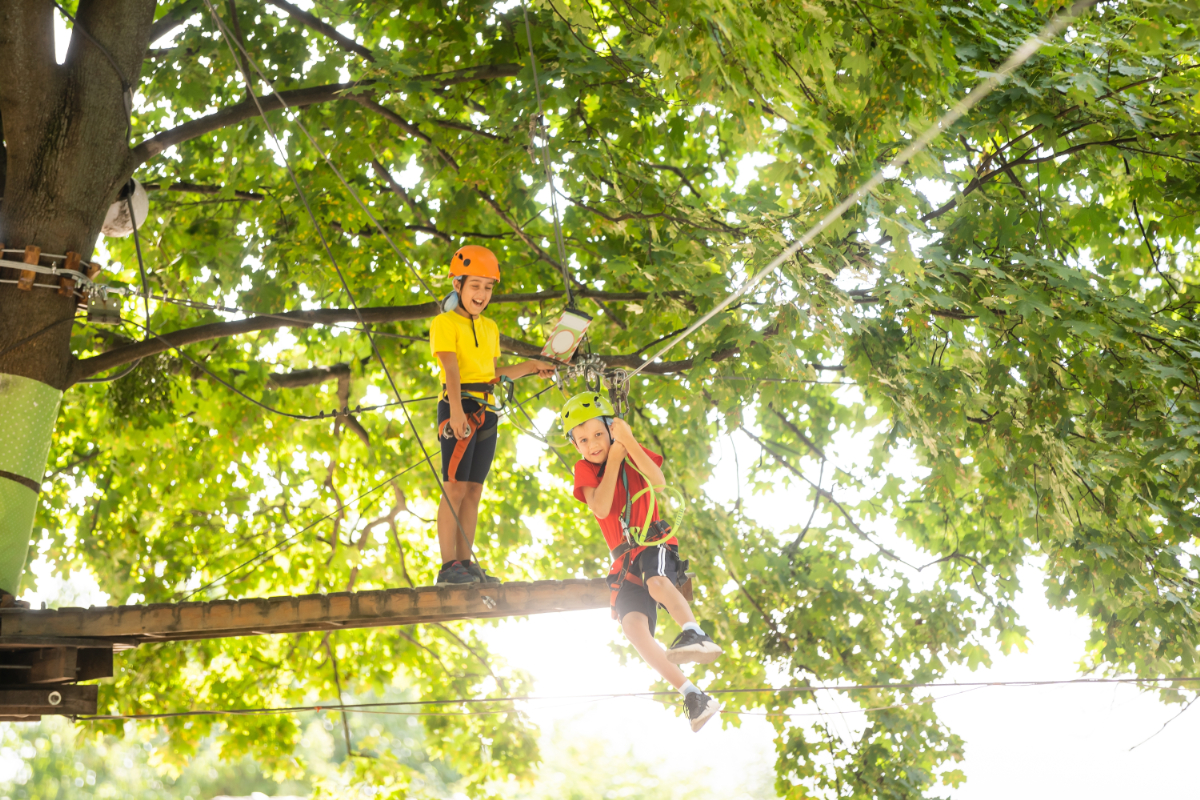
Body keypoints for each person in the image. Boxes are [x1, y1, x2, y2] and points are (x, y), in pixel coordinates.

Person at [564, 392, 724, 732]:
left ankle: (694, 633)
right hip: (623, 560)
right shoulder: (585, 469)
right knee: (633, 628)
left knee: (657, 582)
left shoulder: (628, 451)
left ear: (610, 431)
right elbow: (602, 506)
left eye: (597, 435)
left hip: (651, 538)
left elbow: (658, 480)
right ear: (576, 447)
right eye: (582, 440)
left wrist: (629, 443)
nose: (592, 444)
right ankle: (694, 695)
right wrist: (612, 462)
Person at [431, 245, 552, 585]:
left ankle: (465, 564)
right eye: (475, 286)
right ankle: (448, 567)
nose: (482, 294)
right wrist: (455, 411)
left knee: (473, 490)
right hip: (459, 406)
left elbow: (493, 372)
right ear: (458, 285)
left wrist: (531, 366)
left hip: (486, 409)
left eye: (488, 287)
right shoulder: (444, 323)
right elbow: (451, 368)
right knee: (453, 487)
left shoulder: (490, 328)